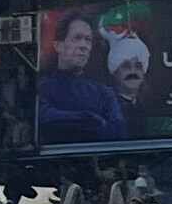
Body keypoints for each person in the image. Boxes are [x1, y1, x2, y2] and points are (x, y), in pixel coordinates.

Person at [38, 13, 127, 144]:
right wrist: (92, 120)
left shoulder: (103, 93)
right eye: (77, 38)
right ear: (58, 45)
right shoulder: (41, 88)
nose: (83, 46)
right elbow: (43, 117)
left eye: (88, 40)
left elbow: (118, 132)